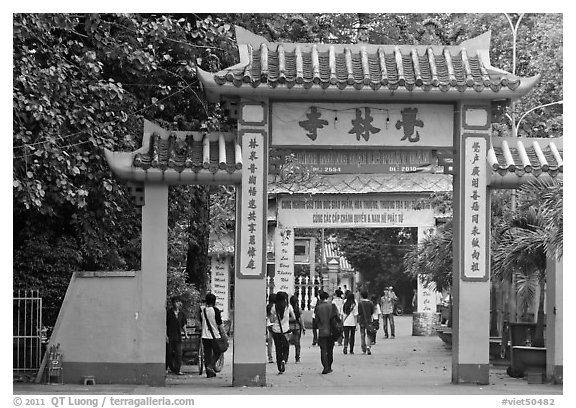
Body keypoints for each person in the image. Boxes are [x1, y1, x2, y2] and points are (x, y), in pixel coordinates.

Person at [269, 291, 296, 374]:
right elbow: (294, 318)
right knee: (285, 346)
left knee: (278, 348)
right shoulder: (288, 307)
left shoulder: (274, 307)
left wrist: (276, 319)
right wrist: (287, 320)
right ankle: (284, 360)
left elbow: (271, 320)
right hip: (285, 331)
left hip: (276, 330)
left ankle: (279, 367)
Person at [314, 291, 339, 374]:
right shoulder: (332, 306)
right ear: (327, 298)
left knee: (323, 350)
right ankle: (329, 366)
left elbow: (316, 320)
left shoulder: (318, 308)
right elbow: (337, 318)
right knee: (330, 349)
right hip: (331, 331)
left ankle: (325, 367)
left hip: (322, 331)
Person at [201, 293, 224, 378]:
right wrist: (224, 334)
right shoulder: (215, 310)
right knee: (218, 351)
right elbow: (219, 324)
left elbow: (201, 321)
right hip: (214, 335)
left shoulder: (203, 310)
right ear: (214, 301)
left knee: (207, 354)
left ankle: (209, 373)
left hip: (204, 335)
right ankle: (210, 367)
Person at [166, 296, 188, 375]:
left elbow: (184, 324)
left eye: (178, 302)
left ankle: (177, 369)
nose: (177, 303)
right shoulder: (168, 313)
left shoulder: (181, 314)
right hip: (170, 335)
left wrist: (186, 334)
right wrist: (166, 336)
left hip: (178, 336)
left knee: (179, 353)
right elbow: (165, 324)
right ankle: (167, 368)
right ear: (172, 303)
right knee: (169, 353)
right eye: (175, 302)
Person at [289, 295, 306, 363]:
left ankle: (285, 357)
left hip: (289, 327)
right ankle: (297, 358)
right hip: (297, 327)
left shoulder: (288, 309)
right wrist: (303, 327)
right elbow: (301, 319)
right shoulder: (298, 309)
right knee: (297, 343)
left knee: (287, 343)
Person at [357, 290, 374, 355]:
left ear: (361, 296)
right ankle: (368, 346)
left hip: (362, 320)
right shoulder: (371, 303)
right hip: (369, 320)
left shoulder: (360, 303)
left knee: (362, 335)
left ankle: (363, 349)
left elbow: (359, 312)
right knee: (369, 334)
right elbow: (372, 312)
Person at [266, 293, 277, 364]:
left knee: (269, 343)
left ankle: (270, 357)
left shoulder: (267, 306)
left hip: (268, 324)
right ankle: (278, 356)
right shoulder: (276, 306)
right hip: (275, 325)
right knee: (277, 342)